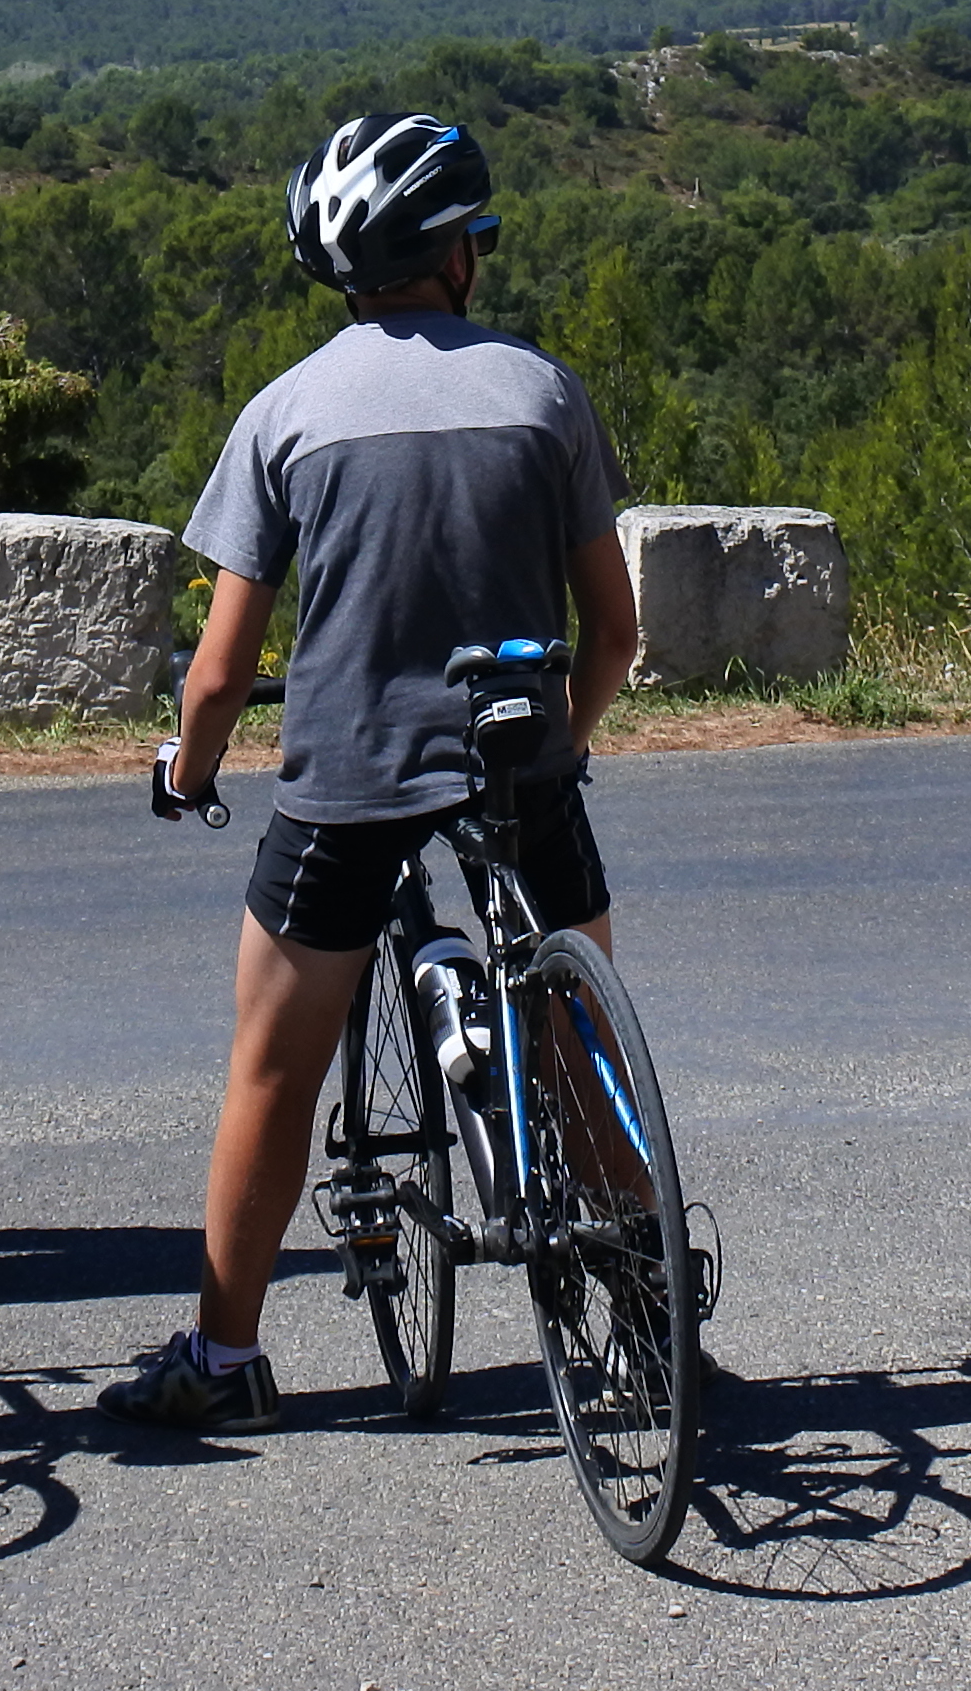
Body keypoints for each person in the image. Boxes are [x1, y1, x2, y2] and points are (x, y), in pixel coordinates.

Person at [95, 111, 645, 1432]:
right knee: (584, 1033)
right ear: (455, 256)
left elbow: (220, 674)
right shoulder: (541, 392)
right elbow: (615, 629)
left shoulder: (283, 416)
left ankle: (222, 1363)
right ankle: (646, 1287)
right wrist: (566, 732)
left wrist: (191, 765)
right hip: (527, 760)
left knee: (271, 1070)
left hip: (345, 776)